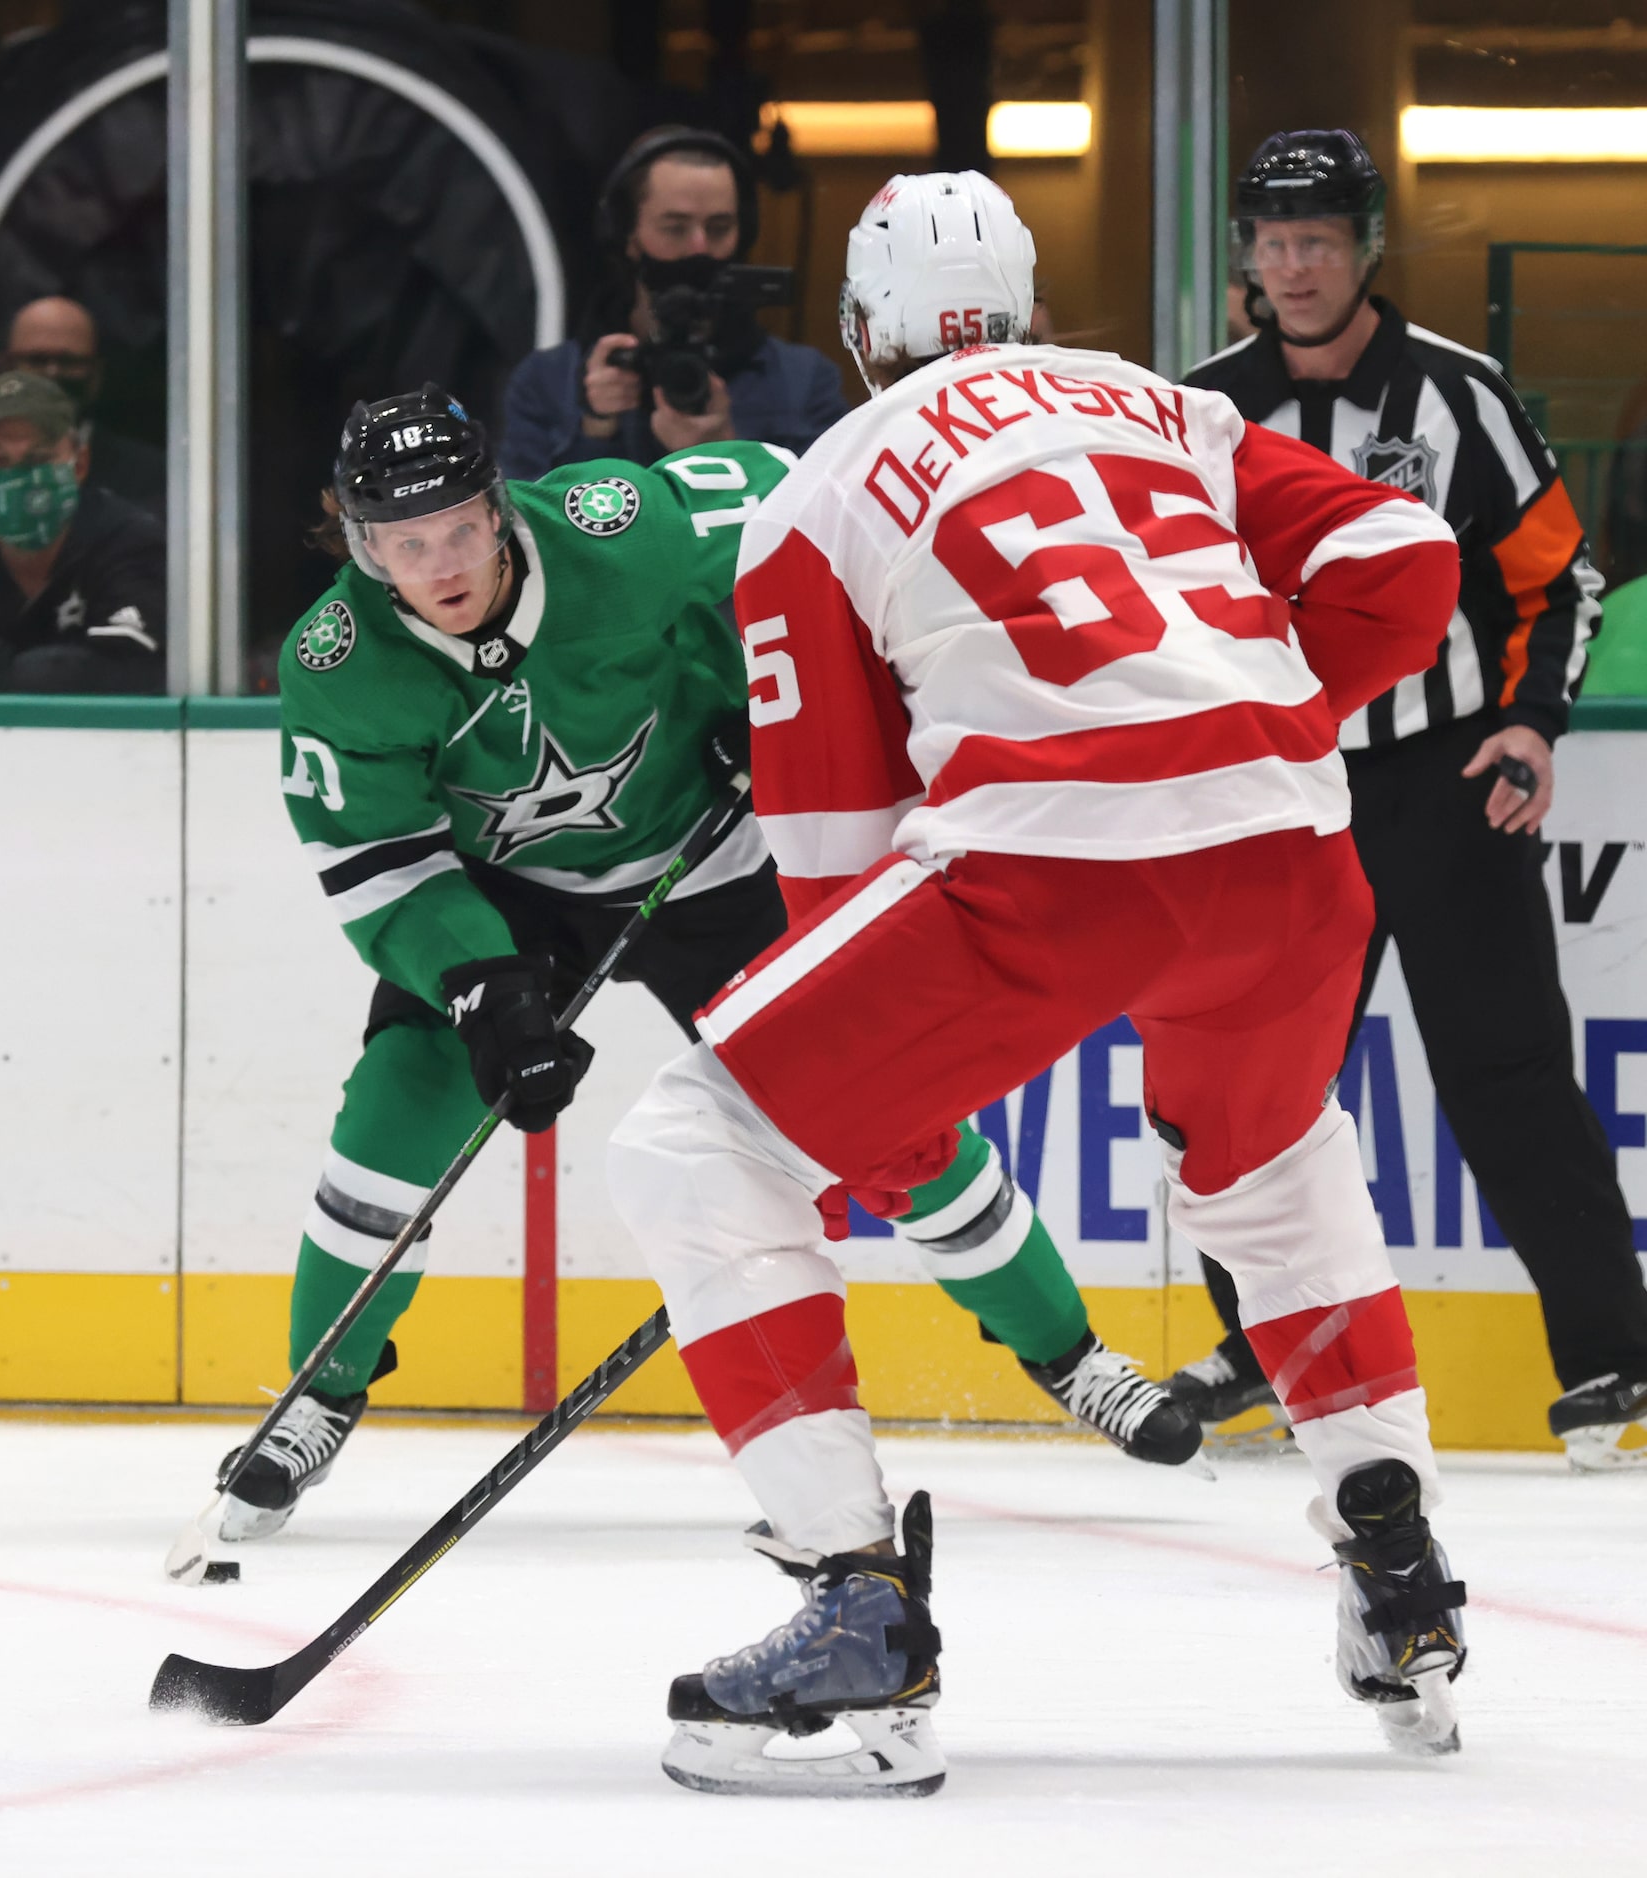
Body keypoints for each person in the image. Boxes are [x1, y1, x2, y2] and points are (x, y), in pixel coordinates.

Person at [605, 169, 1471, 1797]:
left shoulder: (819, 491)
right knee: (1274, 1176)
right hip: (1288, 845)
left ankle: (850, 1602)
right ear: (1026, 310)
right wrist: (1244, 706)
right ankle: (1395, 1561)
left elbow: (834, 858)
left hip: (1051, 859)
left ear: (859, 334)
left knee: (689, 1140)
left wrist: (856, 1125)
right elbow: (1406, 561)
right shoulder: (1155, 404)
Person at [213, 386, 1198, 1545]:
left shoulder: (621, 525)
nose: (441, 564)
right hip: (512, 900)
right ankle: (314, 1394)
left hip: (717, 864)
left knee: (883, 1116)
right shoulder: (338, 662)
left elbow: (814, 507)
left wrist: (784, 701)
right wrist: (479, 984)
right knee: (398, 1110)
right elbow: (376, 854)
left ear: (499, 508)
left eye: (462, 528)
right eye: (404, 542)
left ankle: (1069, 1355)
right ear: (358, 540)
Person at [1167, 130, 1647, 1470]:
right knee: (1251, 1085)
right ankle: (1262, 1352)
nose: (1297, 264)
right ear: (1247, 254)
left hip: (1442, 783)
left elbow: (1560, 577)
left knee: (1506, 1074)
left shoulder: (1458, 392)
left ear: (1366, 244)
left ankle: (1614, 1357)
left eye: (1320, 238)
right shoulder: (1199, 409)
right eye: (1274, 240)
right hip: (1277, 792)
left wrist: (1531, 722)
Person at [499, 127, 849, 480]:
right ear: (625, 232)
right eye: (675, 228)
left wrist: (725, 453)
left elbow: (828, 522)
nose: (699, 247)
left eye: (719, 227)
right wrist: (594, 432)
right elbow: (521, 527)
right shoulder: (545, 383)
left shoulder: (805, 382)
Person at [0, 370, 163, 694]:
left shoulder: (131, 543)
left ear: (79, 463)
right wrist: (22, 668)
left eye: (38, 459)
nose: (18, 479)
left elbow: (128, 672)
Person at [0, 296, 167, 530]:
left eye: (69, 361)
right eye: (36, 360)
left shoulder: (152, 478)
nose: (52, 373)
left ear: (95, 375)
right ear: (5, 368)